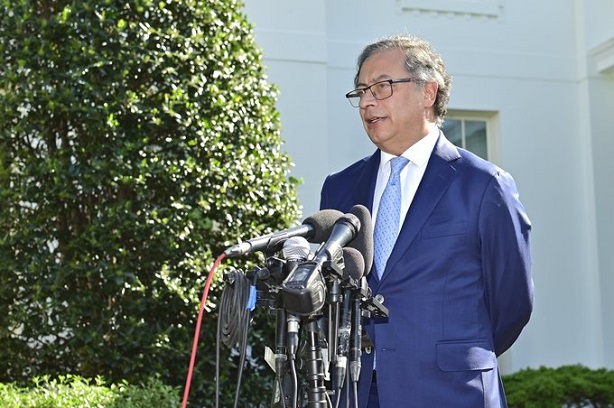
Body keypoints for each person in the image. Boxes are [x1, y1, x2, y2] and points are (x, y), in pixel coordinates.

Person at [319, 34, 534, 407]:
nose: (367, 101)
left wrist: (452, 357)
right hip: (353, 392)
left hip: (451, 392)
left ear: (427, 92)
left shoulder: (484, 185)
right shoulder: (339, 189)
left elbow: (512, 303)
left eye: (381, 87)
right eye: (361, 91)